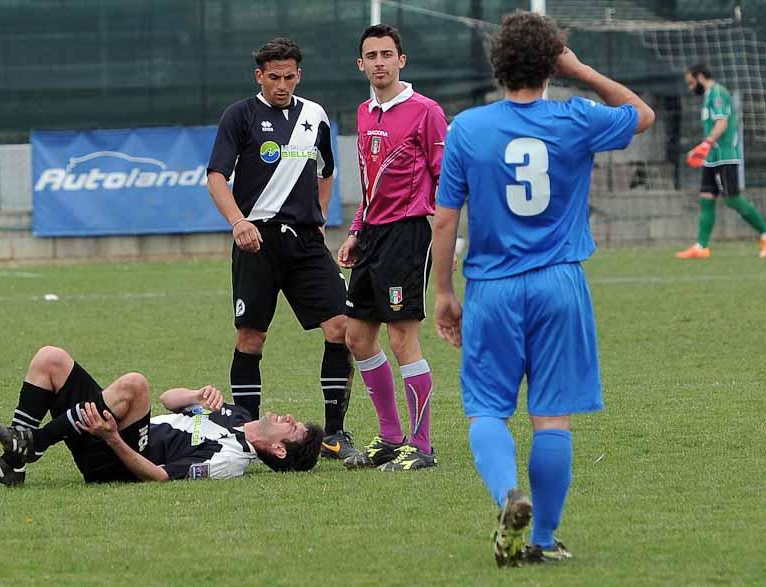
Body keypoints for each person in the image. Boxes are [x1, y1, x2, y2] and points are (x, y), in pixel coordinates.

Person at [432, 12, 654, 567]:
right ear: (553, 62)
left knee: (487, 410)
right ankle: (544, 539)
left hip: (491, 287)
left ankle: (509, 494)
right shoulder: (575, 117)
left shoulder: (468, 129)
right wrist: (579, 69)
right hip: (560, 284)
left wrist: (442, 293)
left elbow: (443, 221)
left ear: (497, 64)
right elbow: (641, 114)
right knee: (552, 417)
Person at [206, 37, 360, 460]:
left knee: (341, 327)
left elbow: (326, 170)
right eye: (273, 77)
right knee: (251, 338)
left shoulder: (315, 116)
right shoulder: (240, 115)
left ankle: (334, 434)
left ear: (299, 75)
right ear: (260, 76)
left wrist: (321, 212)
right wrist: (239, 222)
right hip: (256, 242)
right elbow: (216, 177)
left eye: (289, 76)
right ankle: (249, 435)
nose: (282, 84)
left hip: (306, 242)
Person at [0, 346, 323, 486]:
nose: (288, 417)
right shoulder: (235, 414)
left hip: (120, 459)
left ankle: (33, 444)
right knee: (50, 359)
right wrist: (196, 395)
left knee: (135, 385)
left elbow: (162, 477)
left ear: (278, 449)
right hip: (117, 433)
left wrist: (113, 438)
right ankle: (13, 466)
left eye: (292, 427)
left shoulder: (230, 461)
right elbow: (168, 399)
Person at [336, 25, 447, 472]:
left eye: (387, 54)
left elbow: (446, 181)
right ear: (360, 65)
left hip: (408, 233)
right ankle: (389, 437)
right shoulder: (364, 112)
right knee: (357, 336)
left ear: (402, 60)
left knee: (403, 338)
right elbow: (369, 183)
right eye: (371, 55)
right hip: (373, 235)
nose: (379, 62)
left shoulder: (426, 111)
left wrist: (448, 240)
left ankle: (421, 446)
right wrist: (356, 229)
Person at [675, 64, 766, 259]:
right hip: (713, 157)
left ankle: (765, 234)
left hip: (726, 155)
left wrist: (706, 143)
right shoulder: (708, 96)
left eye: (691, 83)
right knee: (706, 197)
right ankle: (701, 247)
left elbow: (722, 122)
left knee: (732, 198)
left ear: (700, 77)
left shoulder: (717, 94)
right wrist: (703, 147)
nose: (691, 88)